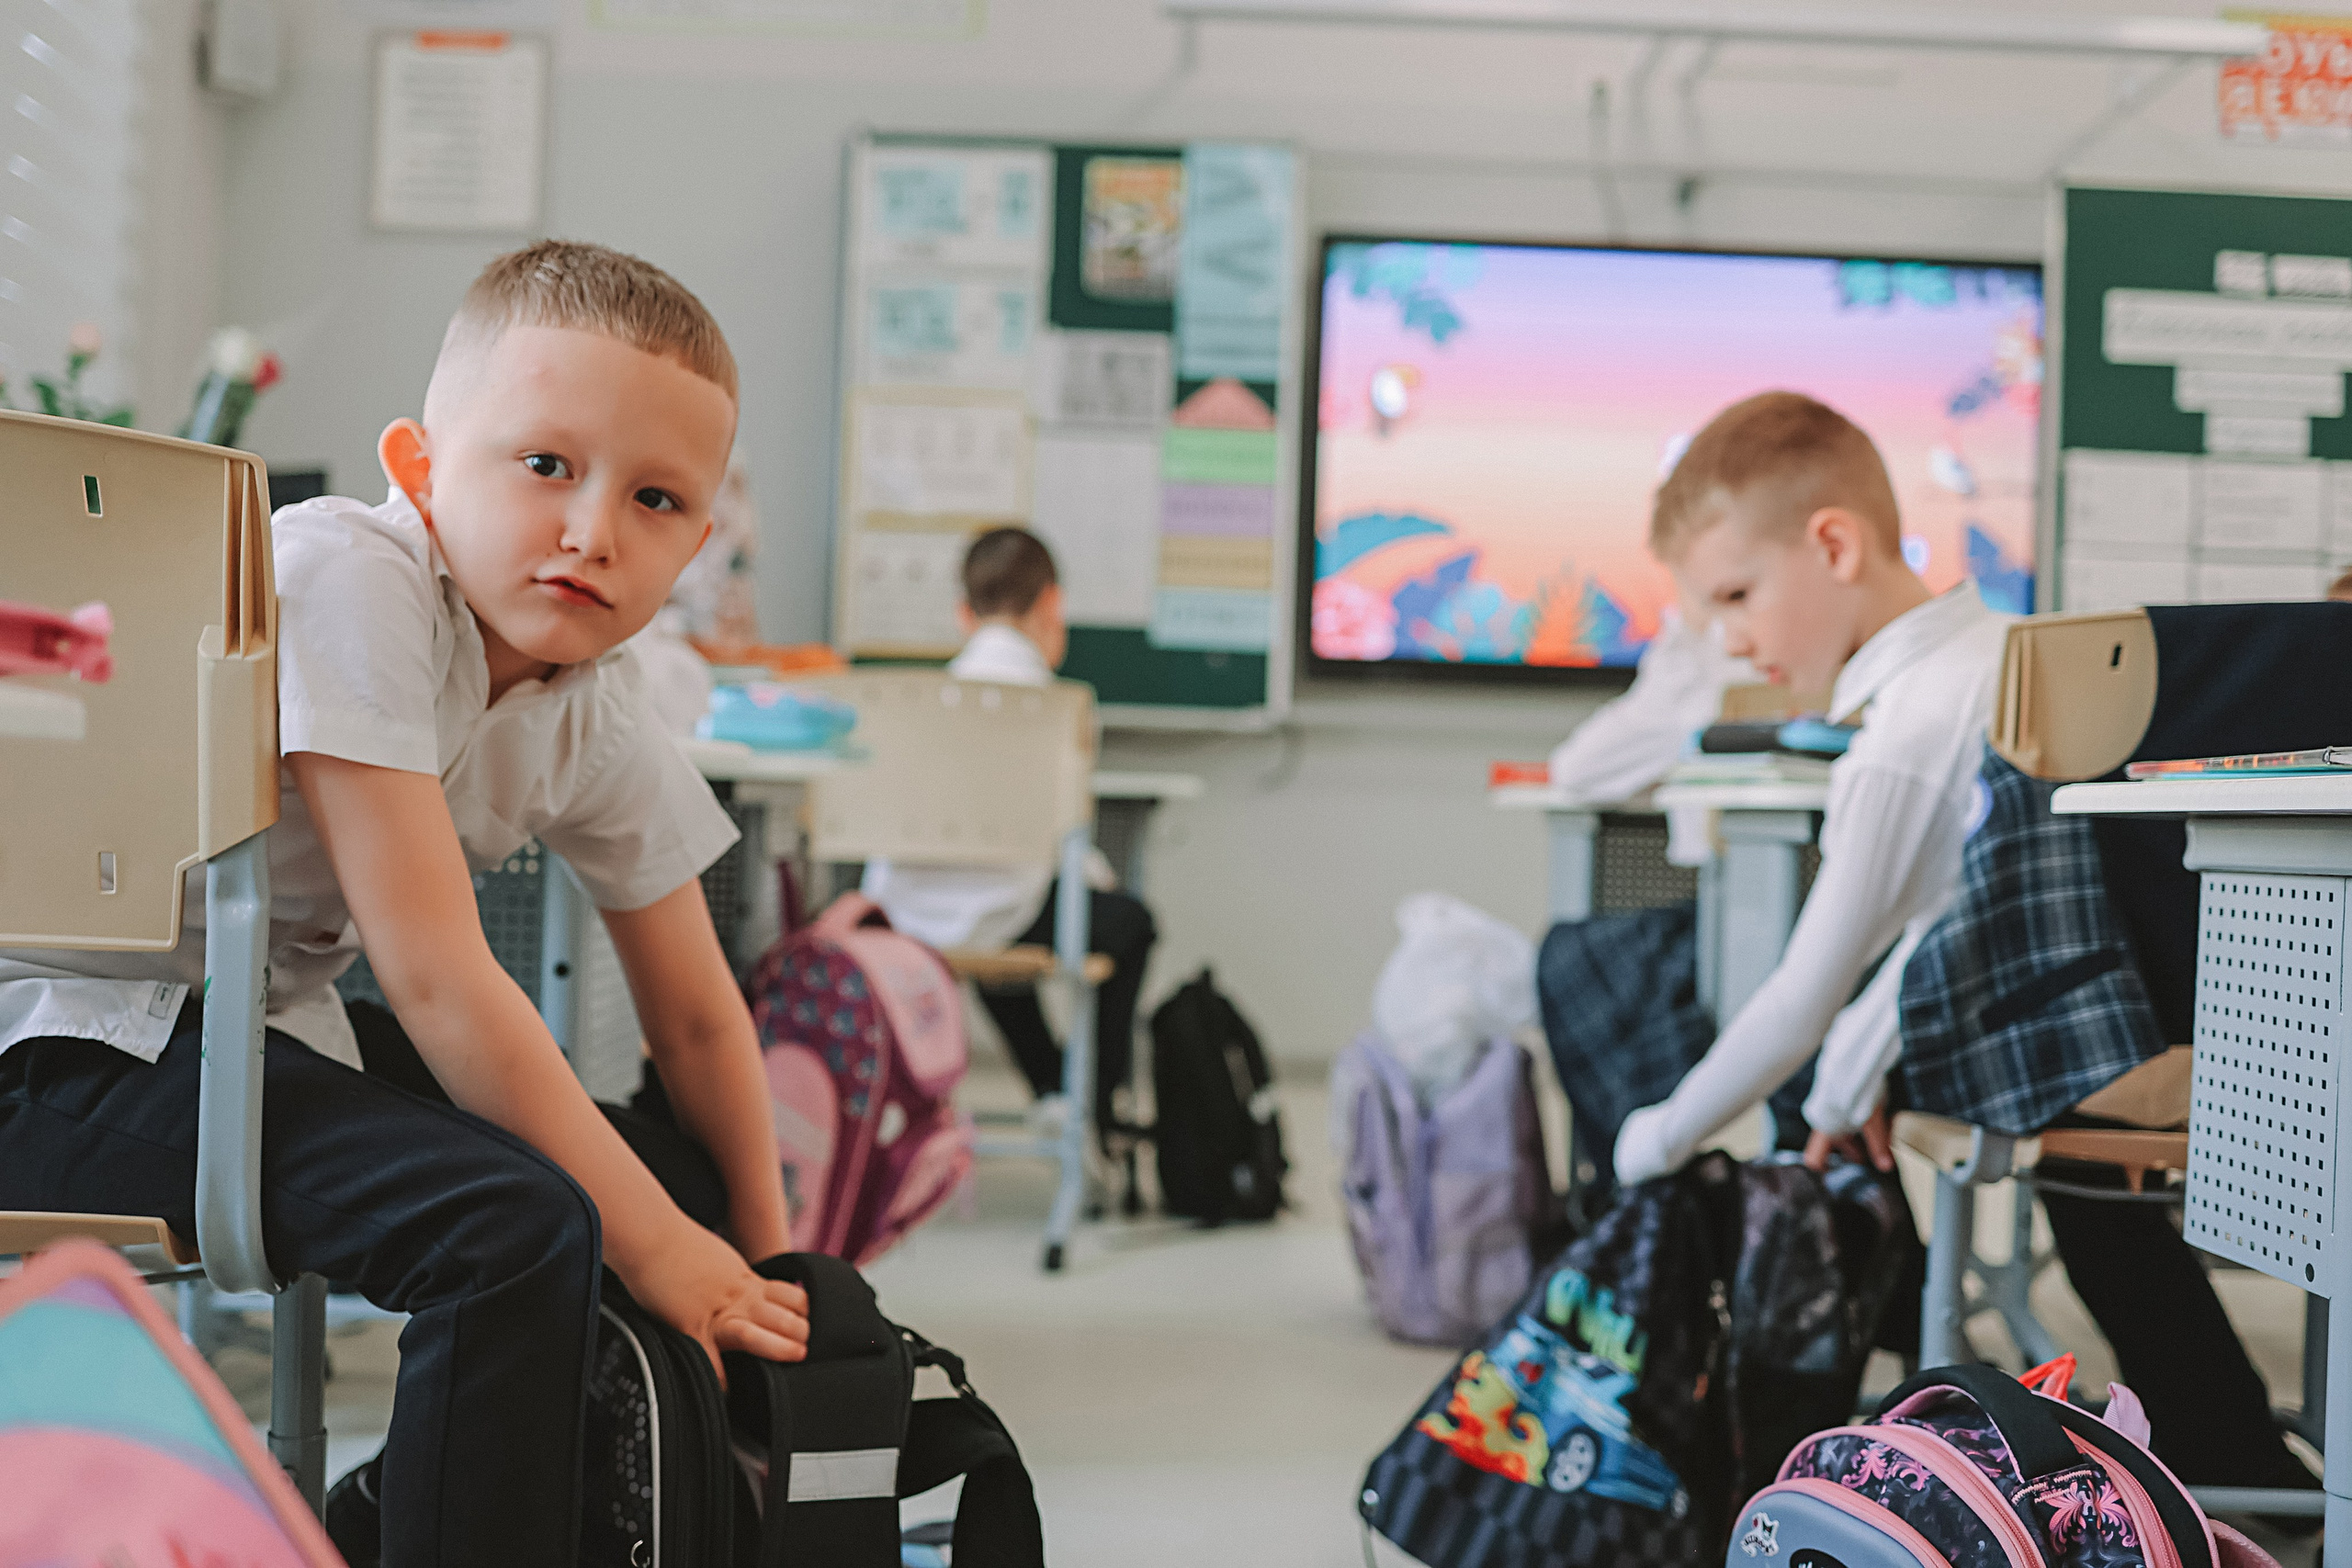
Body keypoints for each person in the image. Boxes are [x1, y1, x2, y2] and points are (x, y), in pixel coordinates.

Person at [0, 240, 808, 1568]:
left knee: (676, 1179)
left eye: (655, 498)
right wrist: (668, 1254)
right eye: (545, 464)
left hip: (244, 1035)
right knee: (516, 1229)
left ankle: (366, 1532)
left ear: (697, 543)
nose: (593, 530)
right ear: (423, 466)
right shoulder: (348, 573)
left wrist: (769, 1275)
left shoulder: (589, 703)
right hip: (65, 1043)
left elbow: (704, 1023)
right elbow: (436, 979)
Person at [862, 526, 1158, 1136]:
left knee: (1000, 915)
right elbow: (1062, 837)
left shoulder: (920, 700)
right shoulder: (1056, 707)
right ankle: (1094, 1108)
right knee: (1127, 922)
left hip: (904, 915)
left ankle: (1051, 1085)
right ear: (1053, 604)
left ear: (963, 613)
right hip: (1007, 910)